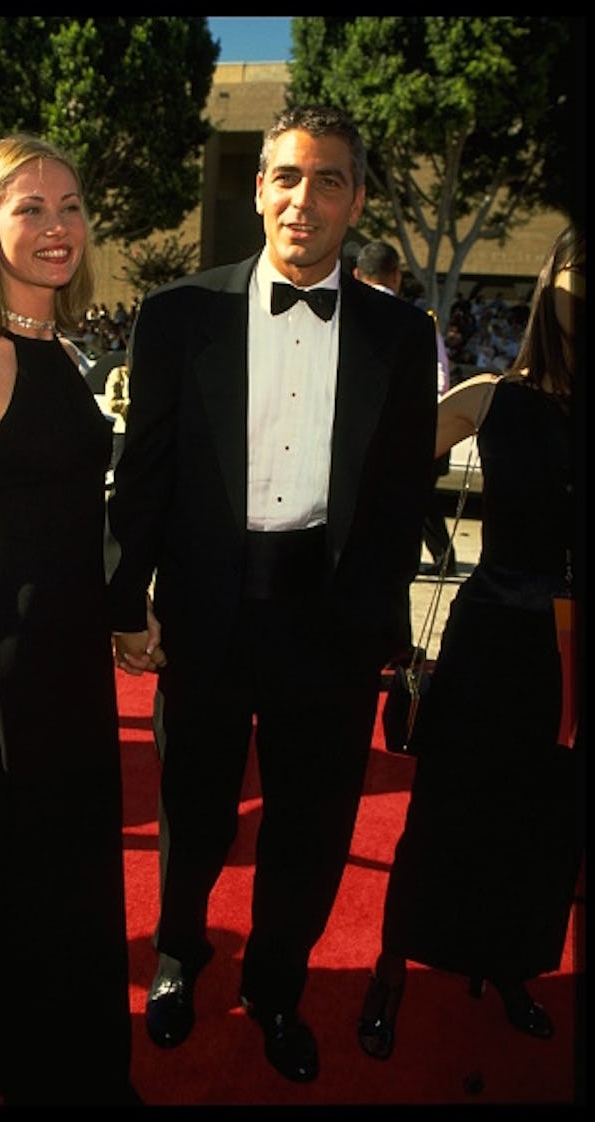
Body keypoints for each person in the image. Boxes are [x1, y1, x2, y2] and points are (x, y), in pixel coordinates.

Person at [107, 104, 437, 1083]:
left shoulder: (401, 333)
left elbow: (397, 493)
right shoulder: (178, 314)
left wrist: (379, 622)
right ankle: (177, 955)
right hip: (206, 615)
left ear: (356, 198)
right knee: (192, 811)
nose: (304, 198)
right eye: (286, 176)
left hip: (328, 628)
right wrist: (128, 600)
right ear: (258, 190)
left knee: (313, 825)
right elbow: (145, 473)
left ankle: (277, 989)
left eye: (328, 179)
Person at [0, 134, 140, 1105]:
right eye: (28, 209)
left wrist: (125, 619)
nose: (56, 227)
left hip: (77, 652)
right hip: (9, 656)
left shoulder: (67, 352)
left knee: (80, 875)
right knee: (21, 879)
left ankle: (77, 1069)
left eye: (70, 206)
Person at [358, 223, 585, 1061]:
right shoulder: (492, 395)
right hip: (491, 639)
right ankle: (390, 965)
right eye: (578, 273)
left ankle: (514, 963)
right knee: (446, 813)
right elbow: (379, 475)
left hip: (570, 661)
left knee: (546, 823)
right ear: (548, 283)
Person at [353, 239, 456, 576]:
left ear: (356, 275)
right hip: (417, 431)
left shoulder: (345, 320)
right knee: (415, 499)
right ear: (396, 276)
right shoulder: (419, 323)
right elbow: (440, 379)